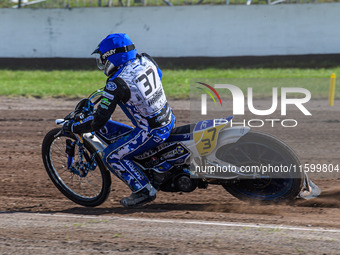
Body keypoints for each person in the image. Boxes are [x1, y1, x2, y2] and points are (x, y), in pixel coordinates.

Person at [63, 33, 175, 207]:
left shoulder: (116, 83)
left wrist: (76, 126)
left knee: (111, 156)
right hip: (168, 118)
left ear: (111, 57)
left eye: (103, 58)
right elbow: (158, 75)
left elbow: (99, 121)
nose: (102, 63)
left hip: (151, 132)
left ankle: (144, 190)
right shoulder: (146, 60)